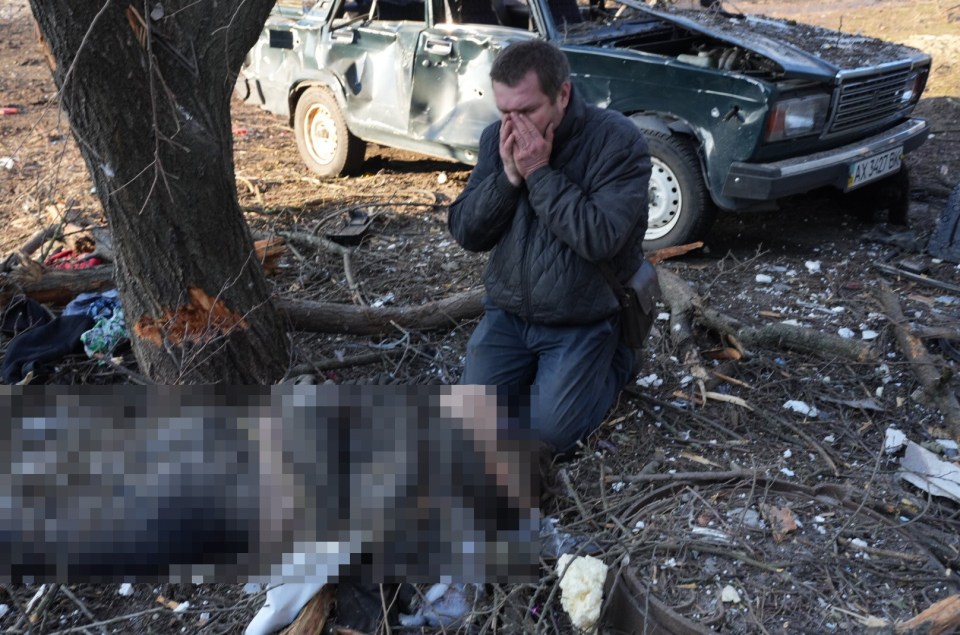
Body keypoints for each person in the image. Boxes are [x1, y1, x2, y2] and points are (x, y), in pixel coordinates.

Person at [448, 39, 652, 454]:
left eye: (526, 111)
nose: (514, 125)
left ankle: (619, 362)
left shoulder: (618, 142)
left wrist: (539, 172)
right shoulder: (496, 140)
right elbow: (467, 232)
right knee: (469, 424)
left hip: (582, 316)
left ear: (562, 94)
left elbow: (600, 239)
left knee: (550, 439)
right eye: (505, 111)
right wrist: (507, 179)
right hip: (508, 314)